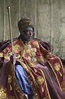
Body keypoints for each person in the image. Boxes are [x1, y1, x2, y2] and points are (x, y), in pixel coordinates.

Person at [0, 17, 65, 99]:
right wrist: (12, 59)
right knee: (18, 69)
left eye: (31, 31)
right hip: (22, 65)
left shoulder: (36, 43)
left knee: (44, 70)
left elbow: (45, 54)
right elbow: (5, 56)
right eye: (28, 31)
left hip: (36, 64)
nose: (30, 33)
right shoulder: (14, 43)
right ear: (22, 32)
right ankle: (28, 94)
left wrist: (55, 60)